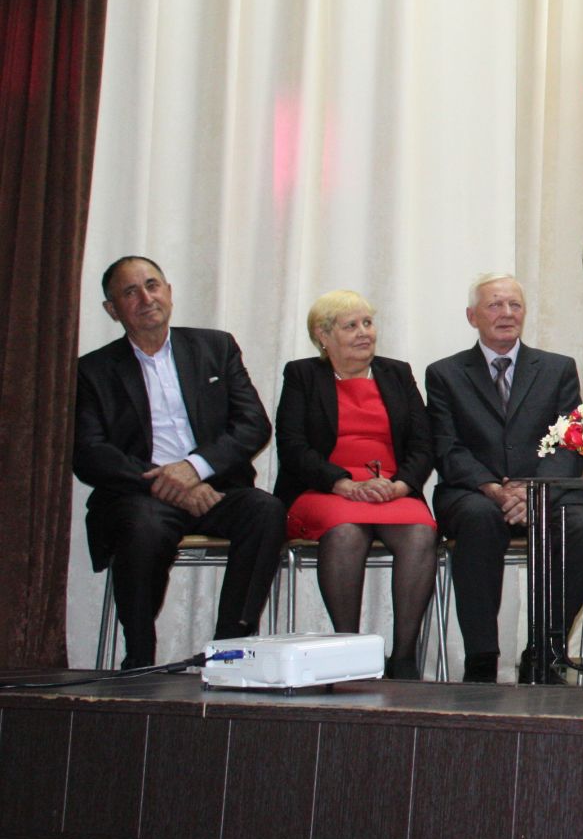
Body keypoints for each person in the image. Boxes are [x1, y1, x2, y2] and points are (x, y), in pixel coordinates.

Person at [73, 256, 284, 668]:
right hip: (141, 495)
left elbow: (253, 424)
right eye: (130, 292)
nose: (146, 297)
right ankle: (139, 657)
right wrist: (162, 481)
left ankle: (228, 651)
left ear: (169, 292)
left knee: (266, 511)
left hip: (215, 487)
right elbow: (89, 453)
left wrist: (194, 469)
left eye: (153, 285)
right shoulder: (93, 370)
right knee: (141, 527)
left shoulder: (215, 347)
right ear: (112, 309)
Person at [425, 274, 583, 683]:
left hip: (545, 487)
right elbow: (446, 446)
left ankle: (545, 652)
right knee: (479, 519)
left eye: (515, 305)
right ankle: (481, 658)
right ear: (472, 316)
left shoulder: (558, 368)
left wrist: (534, 491)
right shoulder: (444, 373)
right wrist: (492, 487)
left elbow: (568, 441)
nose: (506, 314)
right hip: (473, 491)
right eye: (494, 305)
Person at [273, 291, 437, 679]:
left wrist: (400, 485)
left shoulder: (396, 373)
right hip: (325, 491)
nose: (365, 333)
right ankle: (351, 652)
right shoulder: (302, 376)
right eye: (351, 326)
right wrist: (343, 484)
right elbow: (292, 445)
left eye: (368, 323)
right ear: (323, 336)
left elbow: (423, 443)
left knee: (421, 533)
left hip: (391, 490)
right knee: (346, 533)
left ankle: (404, 659)